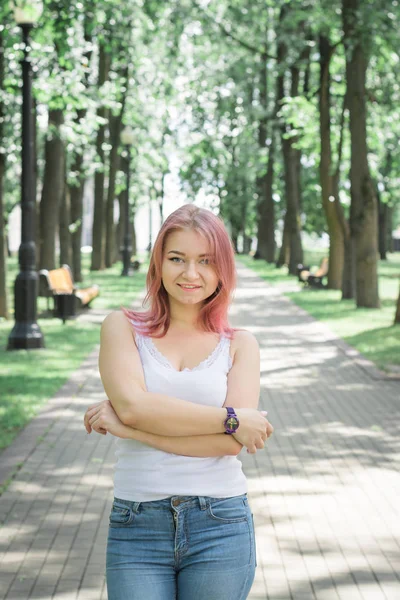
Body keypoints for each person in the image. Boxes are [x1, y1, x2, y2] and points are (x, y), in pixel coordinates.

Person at [83, 204, 274, 600]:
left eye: (205, 261)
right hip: (137, 523)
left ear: (222, 268)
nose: (190, 274)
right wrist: (231, 418)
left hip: (220, 522)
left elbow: (228, 444)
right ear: (158, 263)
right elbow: (136, 407)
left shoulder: (240, 344)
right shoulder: (122, 328)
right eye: (177, 259)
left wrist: (125, 428)